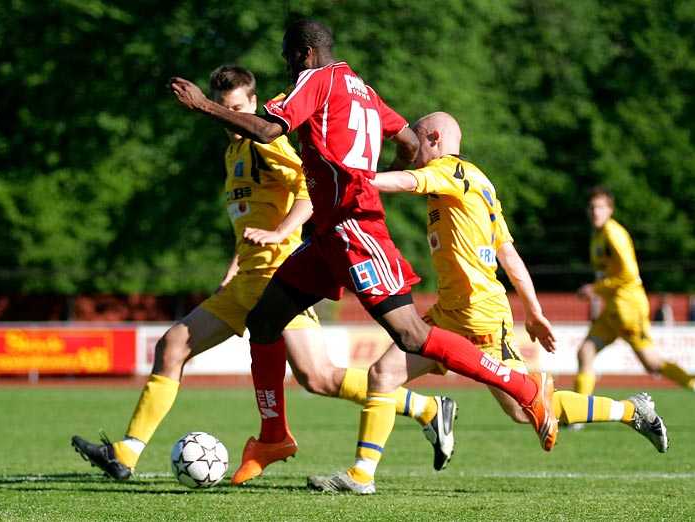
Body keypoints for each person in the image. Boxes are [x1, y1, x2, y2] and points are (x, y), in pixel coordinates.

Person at [168, 19, 557, 496]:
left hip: (354, 231)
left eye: (289, 55)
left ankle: (526, 390)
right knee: (265, 319)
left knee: (412, 335)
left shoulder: (315, 80)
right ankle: (272, 437)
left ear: (307, 53)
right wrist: (376, 176)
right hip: (329, 236)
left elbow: (269, 130)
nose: (286, 65)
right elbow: (410, 142)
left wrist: (204, 106)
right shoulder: (364, 91)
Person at [71, 65, 457, 485]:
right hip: (243, 283)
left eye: (237, 108)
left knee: (319, 378)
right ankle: (125, 453)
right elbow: (248, 220)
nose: (231, 119)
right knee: (173, 345)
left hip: (279, 279)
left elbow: (311, 193)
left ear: (253, 104)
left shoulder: (265, 147)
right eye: (223, 110)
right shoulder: (234, 152)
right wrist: (233, 267)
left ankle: (428, 409)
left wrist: (279, 232)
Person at [307, 112, 669, 493]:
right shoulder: (482, 184)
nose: (412, 153)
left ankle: (632, 411)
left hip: (481, 314)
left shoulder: (449, 170)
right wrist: (535, 312)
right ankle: (362, 475)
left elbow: (405, 181)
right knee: (384, 374)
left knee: (519, 408)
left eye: (416, 144)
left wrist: (354, 178)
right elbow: (508, 255)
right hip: (450, 311)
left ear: (433, 138)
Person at [574, 186, 694, 396]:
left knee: (652, 363)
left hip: (629, 309)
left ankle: (692, 383)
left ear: (610, 209)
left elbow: (629, 274)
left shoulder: (614, 234)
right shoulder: (597, 236)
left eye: (601, 207)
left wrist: (595, 288)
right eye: (592, 207)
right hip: (613, 310)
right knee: (585, 352)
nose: (596, 211)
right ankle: (578, 414)